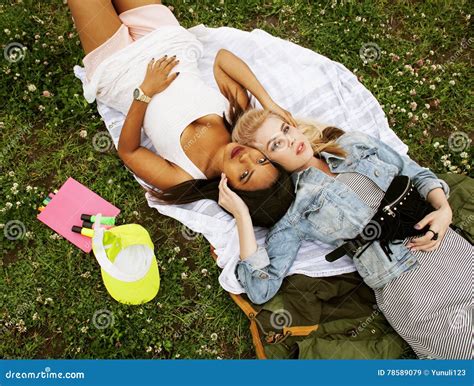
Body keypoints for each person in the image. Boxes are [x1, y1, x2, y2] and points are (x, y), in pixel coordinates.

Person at [217, 107, 473, 359]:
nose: (291, 140)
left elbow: (413, 172)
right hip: (406, 284)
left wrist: (443, 208)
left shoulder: (355, 144)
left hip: (451, 249)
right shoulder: (297, 212)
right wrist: (242, 215)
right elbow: (261, 287)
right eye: (276, 144)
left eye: (286, 129)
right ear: (271, 164)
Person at [67, 0, 297, 226]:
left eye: (244, 174)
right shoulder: (238, 123)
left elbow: (130, 152)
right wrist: (268, 103)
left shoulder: (185, 176)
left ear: (231, 192)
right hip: (164, 40)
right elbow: (223, 60)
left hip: (120, 73)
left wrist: (145, 93)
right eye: (261, 160)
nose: (246, 157)